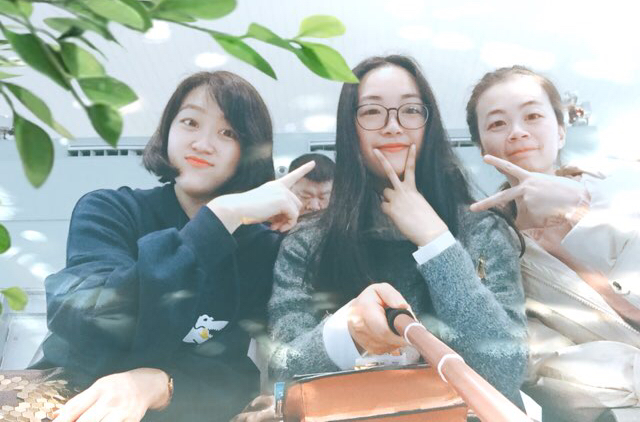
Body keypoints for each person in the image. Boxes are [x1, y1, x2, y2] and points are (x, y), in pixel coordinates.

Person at [36, 71, 314, 422]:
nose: (203, 143)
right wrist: (219, 218)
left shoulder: (258, 247)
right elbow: (89, 316)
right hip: (67, 403)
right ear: (167, 128)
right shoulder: (109, 210)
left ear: (249, 151)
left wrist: (159, 384)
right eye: (190, 122)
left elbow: (231, 376)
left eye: (228, 133)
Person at [267, 55, 528, 407]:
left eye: (410, 110)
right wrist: (351, 331)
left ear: (429, 124)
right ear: (349, 128)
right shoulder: (308, 241)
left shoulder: (483, 229)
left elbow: (505, 371)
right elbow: (282, 374)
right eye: (372, 111)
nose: (393, 126)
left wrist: (437, 242)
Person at [465, 65, 640, 421]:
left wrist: (580, 215)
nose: (517, 132)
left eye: (532, 116)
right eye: (497, 123)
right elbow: (539, 362)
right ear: (482, 146)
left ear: (560, 131)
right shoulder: (490, 246)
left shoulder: (624, 188)